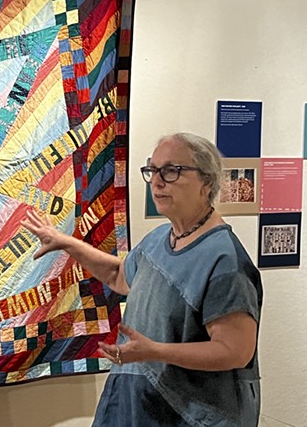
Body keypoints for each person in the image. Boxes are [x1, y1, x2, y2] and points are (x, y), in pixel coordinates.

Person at [22, 132, 263, 426]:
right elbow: (120, 276)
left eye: (171, 171)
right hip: (139, 406)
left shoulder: (224, 260)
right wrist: (66, 243)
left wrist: (154, 352)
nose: (157, 181)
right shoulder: (160, 239)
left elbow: (234, 351)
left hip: (189, 415)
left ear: (207, 182)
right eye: (152, 170)